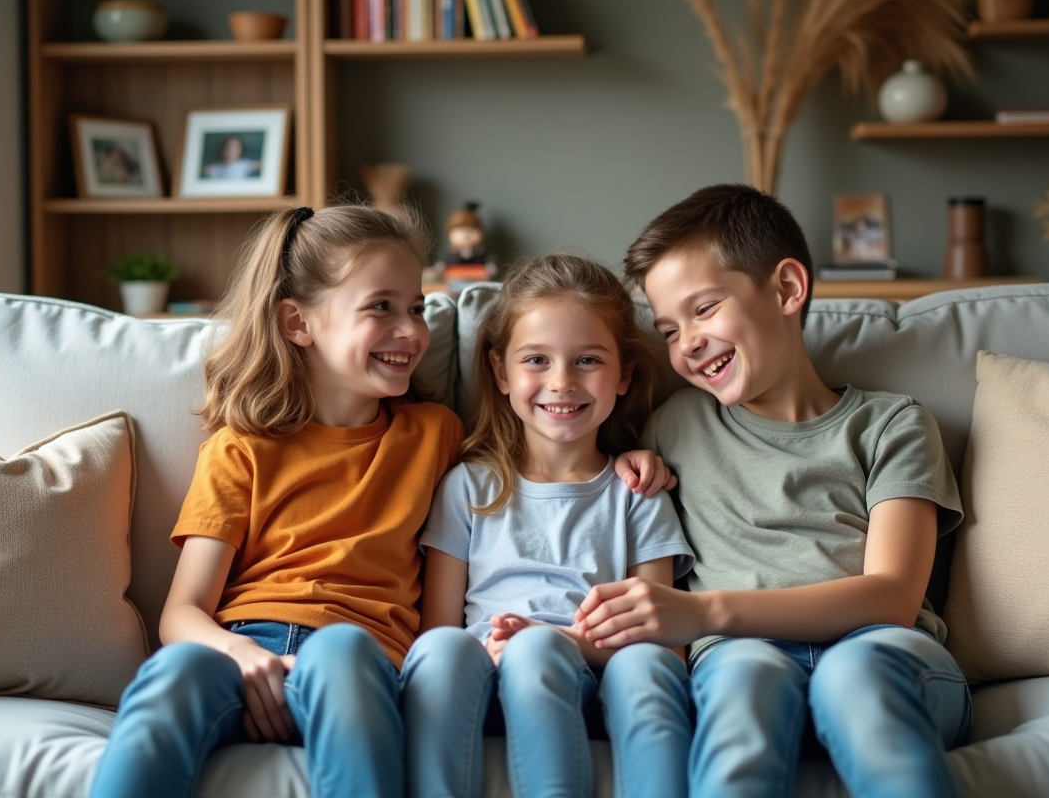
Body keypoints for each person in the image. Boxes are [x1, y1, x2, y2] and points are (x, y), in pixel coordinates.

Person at [575, 184, 971, 798]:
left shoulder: (891, 424)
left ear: (787, 289)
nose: (688, 344)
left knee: (854, 677)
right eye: (669, 329)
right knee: (743, 680)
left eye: (704, 309)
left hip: (883, 656)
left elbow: (892, 596)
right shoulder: (673, 425)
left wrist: (705, 612)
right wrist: (626, 461)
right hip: (740, 659)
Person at [88, 204, 465, 798]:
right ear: (298, 322)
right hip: (244, 651)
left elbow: (538, 464)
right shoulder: (241, 448)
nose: (412, 330)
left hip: (359, 662)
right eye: (381, 307)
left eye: (416, 308)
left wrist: (632, 457)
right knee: (174, 672)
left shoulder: (436, 435)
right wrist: (240, 654)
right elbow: (181, 612)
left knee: (340, 649)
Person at [403, 254, 696, 798]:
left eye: (587, 360)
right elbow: (439, 631)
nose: (561, 382)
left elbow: (663, 647)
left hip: (589, 676)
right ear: (500, 371)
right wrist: (493, 648)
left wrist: (557, 640)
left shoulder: (637, 493)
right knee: (439, 655)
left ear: (624, 374)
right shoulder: (468, 487)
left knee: (552, 655)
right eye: (536, 359)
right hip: (482, 675)